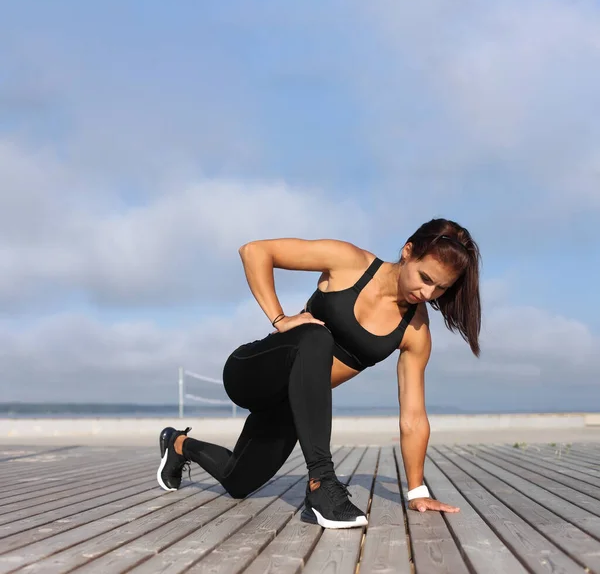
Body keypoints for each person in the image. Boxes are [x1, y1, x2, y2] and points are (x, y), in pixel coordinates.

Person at [156, 217, 481, 529]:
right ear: (408, 252)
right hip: (252, 374)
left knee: (237, 482)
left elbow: (413, 416)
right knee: (317, 337)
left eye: (439, 288)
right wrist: (280, 318)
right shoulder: (349, 262)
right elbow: (254, 251)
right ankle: (321, 482)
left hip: (291, 406)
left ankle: (178, 444)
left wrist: (417, 492)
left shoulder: (415, 331)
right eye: (425, 278)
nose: (427, 294)